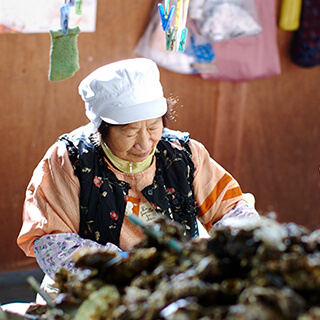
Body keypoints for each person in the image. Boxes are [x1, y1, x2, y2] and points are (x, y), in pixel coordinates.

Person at [17, 58, 259, 301]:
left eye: (153, 127)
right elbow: (52, 244)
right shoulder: (69, 159)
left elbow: (233, 211)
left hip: (173, 289)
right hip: (91, 294)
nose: (144, 143)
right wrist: (128, 266)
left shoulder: (183, 153)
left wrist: (229, 248)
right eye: (129, 132)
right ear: (101, 129)